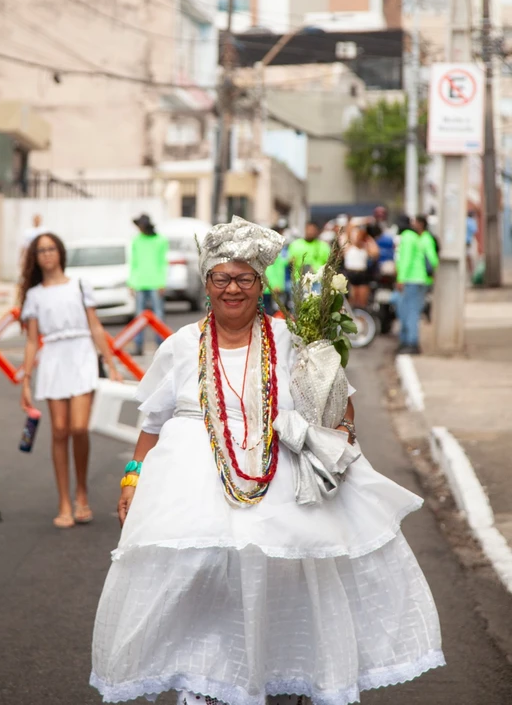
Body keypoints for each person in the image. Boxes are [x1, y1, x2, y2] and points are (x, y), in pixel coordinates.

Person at [91, 215, 444, 705]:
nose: (232, 288)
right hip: (189, 485)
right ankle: (208, 681)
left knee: (280, 580)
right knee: (199, 579)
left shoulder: (292, 339)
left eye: (244, 278)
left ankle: (283, 675)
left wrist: (337, 434)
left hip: (280, 478)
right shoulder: (180, 346)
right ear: (206, 283)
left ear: (261, 284)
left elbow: (339, 405)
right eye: (221, 278)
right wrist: (132, 479)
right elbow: (151, 423)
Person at [20, 232, 123, 529]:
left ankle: (82, 492)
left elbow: (95, 326)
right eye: (41, 250)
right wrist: (26, 379)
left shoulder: (79, 284)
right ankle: (65, 501)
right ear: (35, 257)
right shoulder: (35, 295)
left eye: (51, 248)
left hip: (81, 355)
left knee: (79, 427)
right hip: (53, 357)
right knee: (59, 431)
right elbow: (31, 341)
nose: (47, 254)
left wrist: (111, 365)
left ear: (60, 252)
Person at [128, 214, 168, 357]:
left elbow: (163, 262)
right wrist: (131, 283)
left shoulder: (160, 240)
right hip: (140, 282)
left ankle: (161, 345)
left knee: (158, 316)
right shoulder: (136, 241)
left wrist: (162, 282)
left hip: (155, 282)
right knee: (139, 317)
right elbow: (133, 263)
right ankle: (138, 345)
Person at [396, 217, 430, 354]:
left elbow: (405, 260)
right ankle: (407, 341)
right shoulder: (414, 236)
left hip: (412, 280)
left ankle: (412, 343)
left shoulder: (407, 237)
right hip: (418, 279)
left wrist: (401, 279)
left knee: (410, 312)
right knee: (409, 311)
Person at [342, 225, 379, 308]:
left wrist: (368, 238)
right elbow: (348, 228)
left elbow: (376, 253)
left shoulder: (365, 247)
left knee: (362, 303)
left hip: (362, 275)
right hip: (350, 275)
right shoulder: (348, 247)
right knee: (352, 302)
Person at [262, 226, 288, 315]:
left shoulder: (279, 250)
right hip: (270, 288)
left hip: (272, 288)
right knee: (269, 313)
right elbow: (271, 270)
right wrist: (275, 285)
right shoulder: (271, 251)